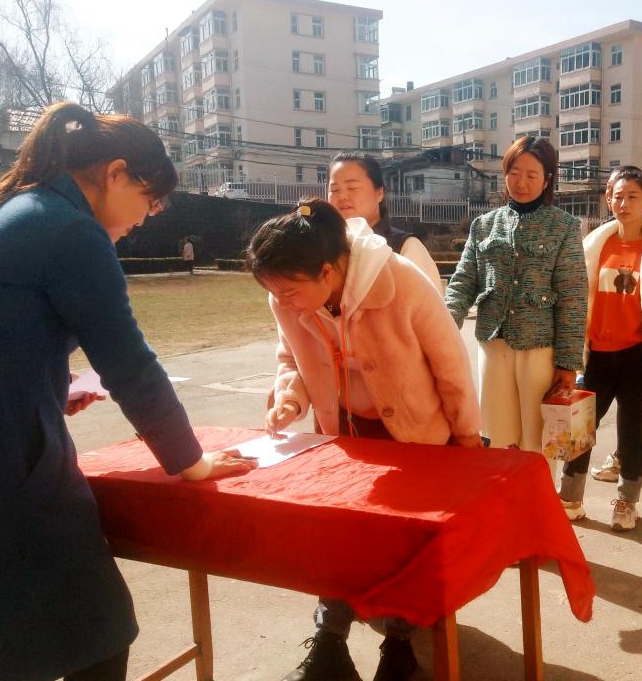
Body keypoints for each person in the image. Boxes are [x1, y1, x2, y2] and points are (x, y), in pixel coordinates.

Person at [0, 102, 256, 681]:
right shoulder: (71, 230)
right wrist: (191, 461)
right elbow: (130, 365)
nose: (143, 220)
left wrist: (50, 385)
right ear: (116, 174)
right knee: (97, 632)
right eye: (149, 201)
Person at [246, 198, 482, 681]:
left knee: (402, 548)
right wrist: (289, 398)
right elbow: (290, 357)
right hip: (344, 436)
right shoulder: (286, 296)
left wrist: (466, 439)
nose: (281, 302)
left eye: (288, 291)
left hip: (413, 437)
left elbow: (451, 366)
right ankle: (329, 642)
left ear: (327, 271)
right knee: (334, 538)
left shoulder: (401, 282)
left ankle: (398, 646)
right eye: (273, 292)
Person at [445, 137, 587, 468]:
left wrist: (568, 362)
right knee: (495, 436)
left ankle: (538, 499)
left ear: (547, 179)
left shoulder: (564, 227)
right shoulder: (483, 226)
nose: (521, 183)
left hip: (540, 351)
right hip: (493, 345)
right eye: (513, 172)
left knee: (539, 441)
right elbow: (463, 282)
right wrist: (443, 328)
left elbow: (573, 297)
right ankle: (502, 497)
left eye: (532, 175)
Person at [557, 166, 642, 529]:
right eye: (617, 196)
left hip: (639, 356)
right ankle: (570, 498)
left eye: (632, 196)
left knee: (632, 434)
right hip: (596, 354)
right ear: (608, 200)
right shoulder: (594, 245)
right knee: (580, 430)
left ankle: (626, 503)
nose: (623, 203)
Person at [327, 152, 442, 293]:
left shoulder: (405, 248)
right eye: (334, 190)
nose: (342, 196)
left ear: (379, 193)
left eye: (352, 188)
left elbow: (427, 305)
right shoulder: (322, 247)